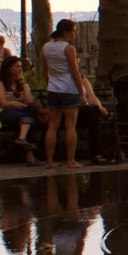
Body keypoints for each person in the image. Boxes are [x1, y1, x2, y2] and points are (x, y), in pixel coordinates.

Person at [41, 19, 87, 168]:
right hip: (69, 89)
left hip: (53, 87)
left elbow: (44, 70)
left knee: (52, 126)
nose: (75, 34)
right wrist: (82, 93)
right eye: (73, 30)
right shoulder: (68, 49)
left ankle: (49, 161)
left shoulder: (46, 47)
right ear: (66, 31)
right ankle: (70, 160)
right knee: (70, 125)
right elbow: (75, 71)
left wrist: (48, 82)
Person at [0, 55, 41, 162]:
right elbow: (4, 103)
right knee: (29, 120)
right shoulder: (0, 84)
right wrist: (19, 105)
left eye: (21, 66)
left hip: (22, 112)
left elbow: (29, 102)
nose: (21, 69)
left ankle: (22, 139)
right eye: (17, 67)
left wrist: (24, 85)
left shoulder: (21, 84)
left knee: (28, 119)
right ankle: (29, 155)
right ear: (9, 68)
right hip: (5, 112)